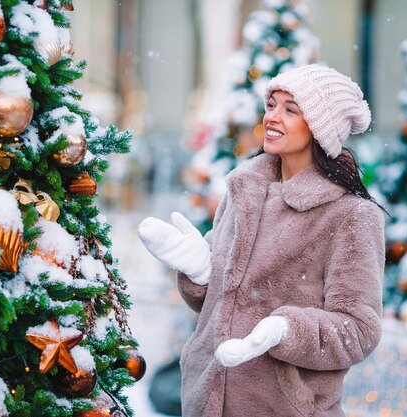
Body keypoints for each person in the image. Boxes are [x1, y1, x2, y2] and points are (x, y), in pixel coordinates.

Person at [138, 64, 386, 417]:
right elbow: (222, 306)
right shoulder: (242, 191)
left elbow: (359, 330)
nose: (272, 116)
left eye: (291, 109)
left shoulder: (351, 216)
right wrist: (201, 273)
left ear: (321, 128)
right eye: (271, 104)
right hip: (206, 403)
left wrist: (286, 330)